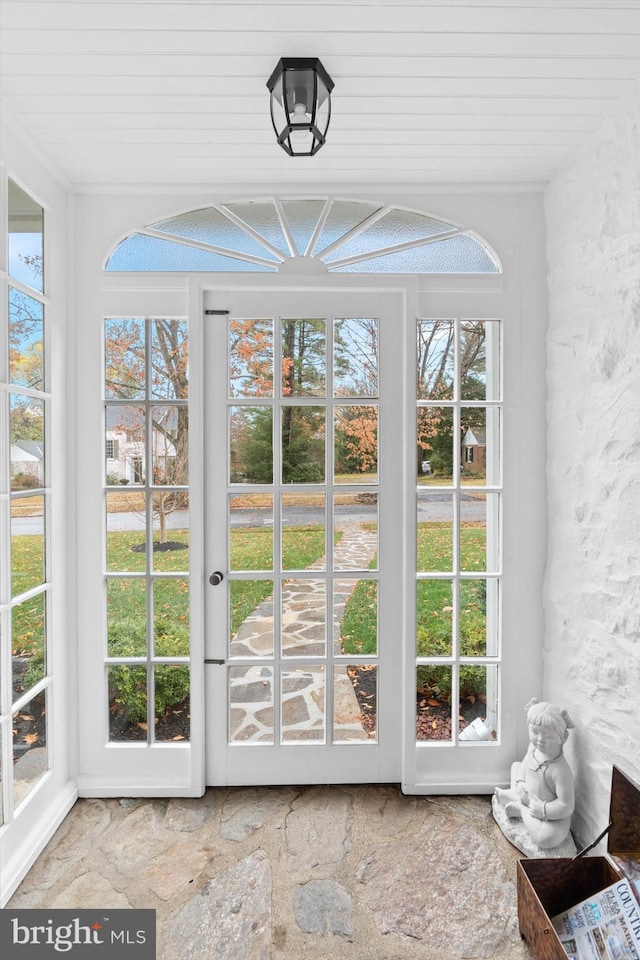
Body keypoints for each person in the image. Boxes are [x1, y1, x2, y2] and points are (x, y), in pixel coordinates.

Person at [494, 699, 575, 849]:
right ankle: (517, 797)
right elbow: (524, 767)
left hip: (548, 813)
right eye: (534, 732)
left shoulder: (560, 770)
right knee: (516, 766)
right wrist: (520, 783)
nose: (540, 740)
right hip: (528, 794)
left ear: (563, 738)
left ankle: (521, 810)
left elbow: (566, 805)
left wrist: (542, 810)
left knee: (546, 839)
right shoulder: (533, 747)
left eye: (548, 737)